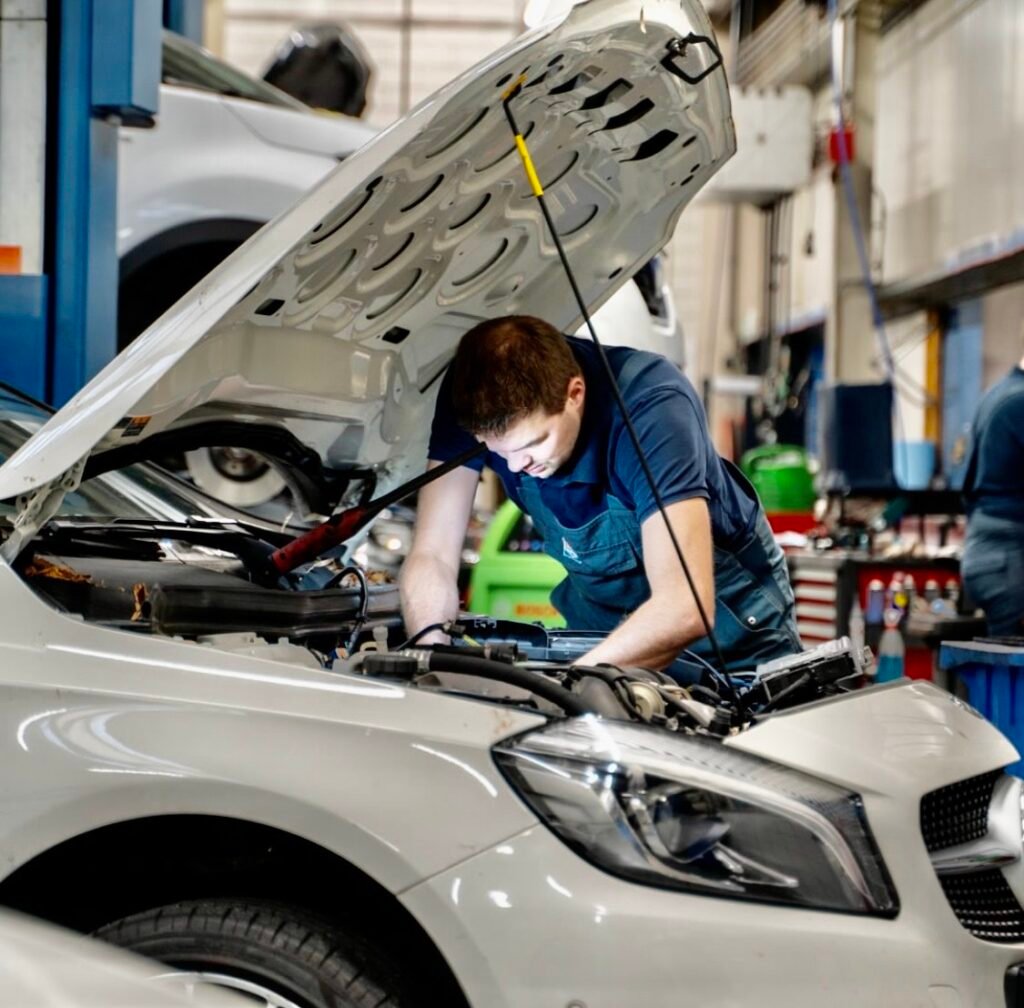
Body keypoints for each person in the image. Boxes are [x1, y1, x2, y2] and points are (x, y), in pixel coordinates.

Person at [399, 315, 801, 681]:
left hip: (731, 637)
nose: (516, 466)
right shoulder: (471, 395)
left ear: (575, 393)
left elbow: (685, 607)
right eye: (495, 450)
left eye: (534, 443)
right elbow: (432, 554)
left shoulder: (650, 406)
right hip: (604, 636)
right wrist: (430, 657)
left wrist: (568, 684)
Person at [961, 351, 1024, 637]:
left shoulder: (998, 393)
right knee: (1013, 671)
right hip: (1009, 560)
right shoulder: (1019, 402)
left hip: (987, 553)